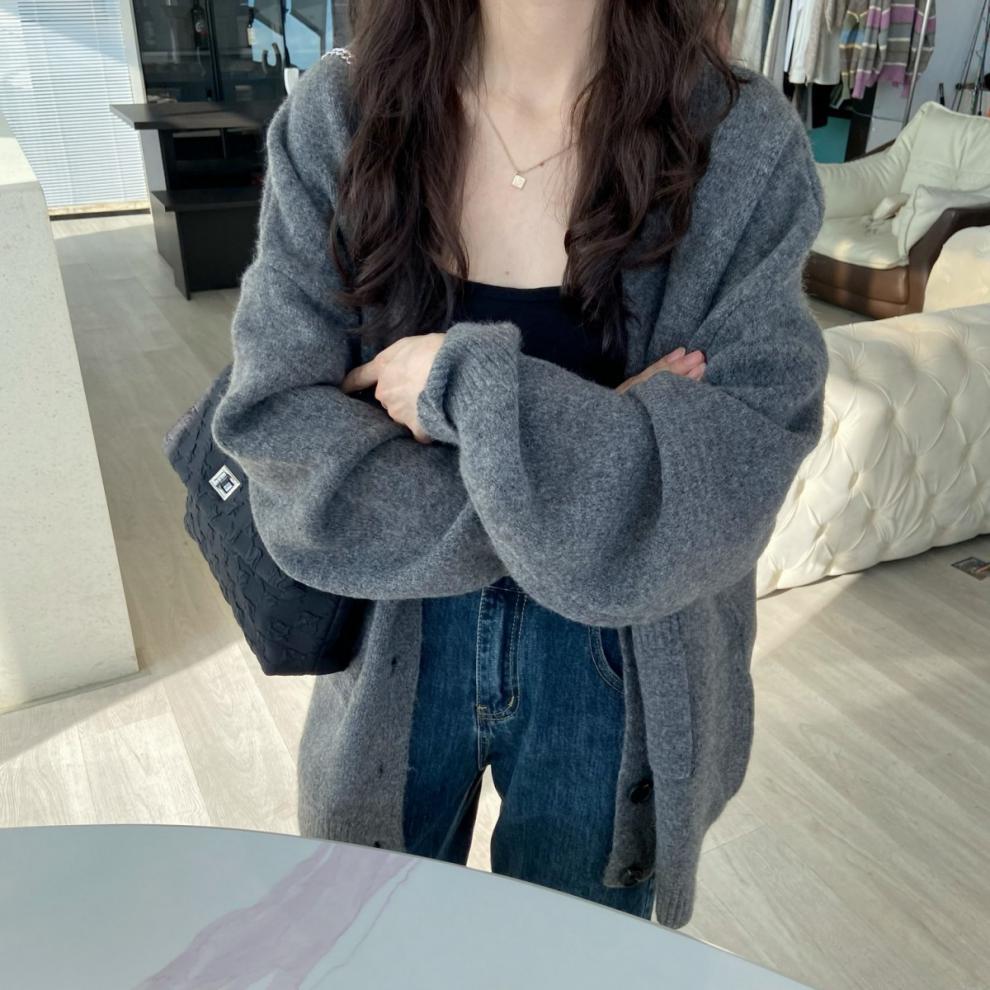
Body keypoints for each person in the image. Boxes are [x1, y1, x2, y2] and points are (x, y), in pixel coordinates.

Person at [212, 0, 829, 928]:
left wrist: (460, 386)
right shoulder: (341, 117)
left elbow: (736, 463)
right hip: (396, 630)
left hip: (619, 660)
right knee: (369, 947)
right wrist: (600, 449)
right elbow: (281, 430)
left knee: (576, 962)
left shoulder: (739, 140)